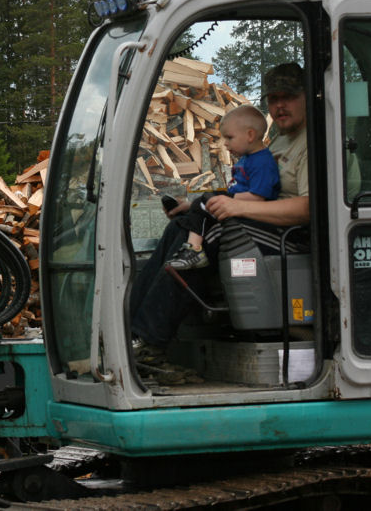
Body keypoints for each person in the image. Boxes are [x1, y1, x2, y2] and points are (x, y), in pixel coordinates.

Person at [130, 63, 309, 377]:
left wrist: (238, 209)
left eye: (289, 97)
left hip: (295, 236)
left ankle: (150, 343)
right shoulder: (280, 141)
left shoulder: (315, 144)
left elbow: (309, 209)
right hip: (266, 224)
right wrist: (201, 203)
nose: (280, 105)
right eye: (274, 98)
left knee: (210, 238)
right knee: (183, 227)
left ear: (309, 96)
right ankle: (131, 328)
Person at [166, 104, 281, 271]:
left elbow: (258, 197)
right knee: (203, 200)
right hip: (239, 201)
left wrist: (226, 200)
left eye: (229, 138)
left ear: (250, 135)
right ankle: (189, 213)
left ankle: (195, 250)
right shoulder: (248, 158)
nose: (225, 144)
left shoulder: (262, 163)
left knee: (205, 201)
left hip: (252, 215)